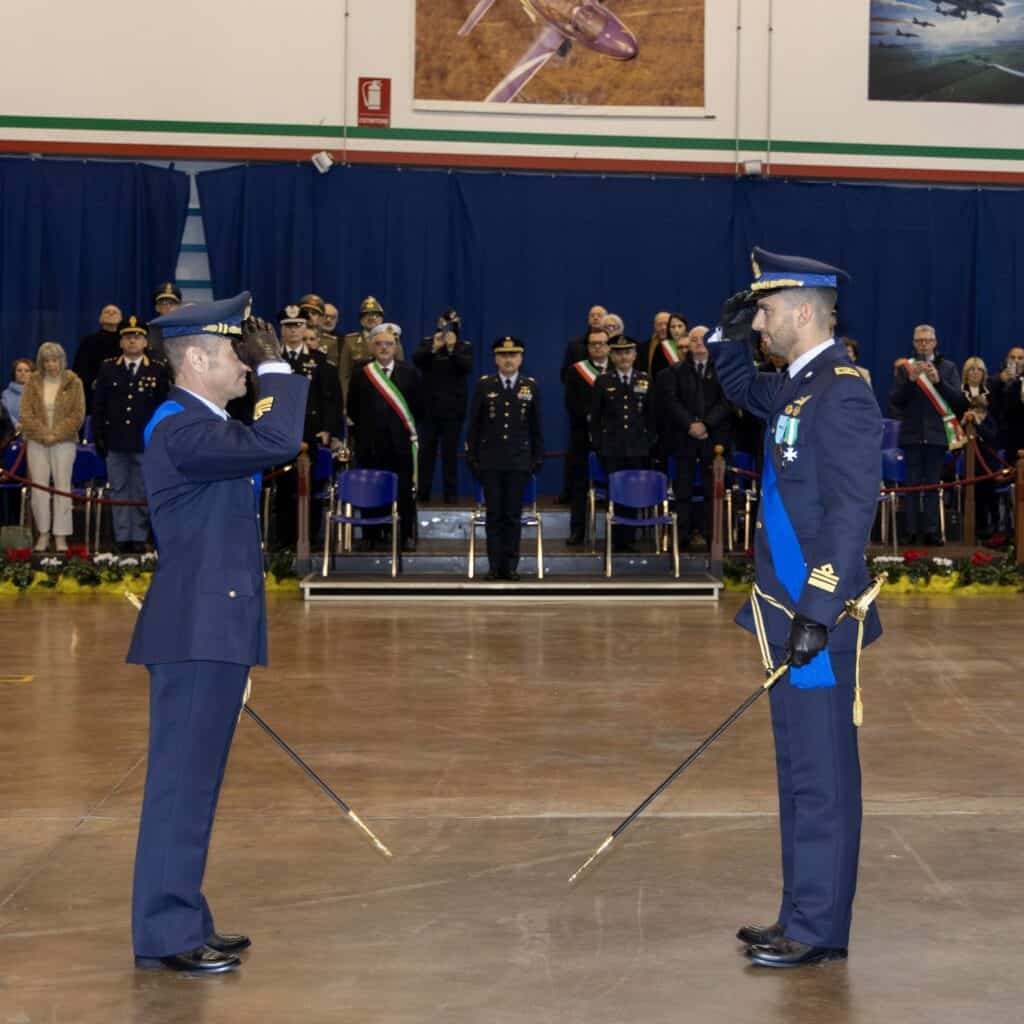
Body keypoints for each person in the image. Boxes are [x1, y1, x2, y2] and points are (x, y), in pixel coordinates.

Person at [711, 246, 882, 969]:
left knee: (822, 774)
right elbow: (746, 393)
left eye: (766, 310)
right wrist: (722, 341)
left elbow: (851, 510)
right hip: (786, 614)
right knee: (800, 768)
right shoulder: (799, 385)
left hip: (817, 617)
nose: (759, 321)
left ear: (805, 312)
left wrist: (817, 606)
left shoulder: (840, 389)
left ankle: (816, 929)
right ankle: (801, 912)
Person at [127, 294, 308, 974]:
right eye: (236, 354)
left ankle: (182, 916)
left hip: (211, 628)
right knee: (180, 785)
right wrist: (282, 371)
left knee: (194, 783)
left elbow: (262, 446)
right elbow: (277, 442)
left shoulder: (201, 423)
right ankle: (167, 933)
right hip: (197, 631)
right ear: (197, 359)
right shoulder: (180, 426)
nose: (246, 365)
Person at [466, 337, 544, 580]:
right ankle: (493, 566)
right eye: (503, 355)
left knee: (512, 515)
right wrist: (473, 458)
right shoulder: (484, 386)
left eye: (513, 355)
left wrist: (536, 458)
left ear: (521, 358)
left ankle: (510, 566)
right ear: (495, 359)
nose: (508, 360)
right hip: (490, 461)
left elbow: (536, 427)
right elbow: (474, 426)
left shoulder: (529, 387)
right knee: (494, 515)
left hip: (519, 462)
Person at [91, 317, 171, 552]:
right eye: (128, 336)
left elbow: (163, 408)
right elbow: (98, 406)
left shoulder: (157, 370)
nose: (133, 340)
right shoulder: (108, 368)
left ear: (146, 341)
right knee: (118, 489)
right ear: (121, 342)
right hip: (115, 440)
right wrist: (99, 436)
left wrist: (159, 440)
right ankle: (122, 537)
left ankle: (138, 537)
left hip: (144, 443)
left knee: (141, 489)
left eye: (137, 336)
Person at [888, 324, 965, 546]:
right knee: (911, 485)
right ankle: (911, 531)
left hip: (937, 435)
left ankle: (932, 531)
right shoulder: (905, 369)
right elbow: (895, 400)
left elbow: (959, 401)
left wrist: (939, 381)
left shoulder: (948, 367)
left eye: (927, 340)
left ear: (935, 342)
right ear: (913, 343)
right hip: (912, 434)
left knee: (933, 484)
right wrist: (911, 382)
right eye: (919, 341)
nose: (923, 344)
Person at [347, 323, 421, 551]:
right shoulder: (361, 373)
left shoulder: (409, 372)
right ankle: (372, 535)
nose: (384, 348)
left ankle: (404, 535)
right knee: (372, 489)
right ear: (371, 347)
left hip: (400, 445)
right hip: (370, 444)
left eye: (389, 344)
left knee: (404, 492)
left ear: (396, 346)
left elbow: (418, 408)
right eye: (379, 344)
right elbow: (353, 408)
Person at [274, 305, 343, 548]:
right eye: (288, 326)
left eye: (298, 325)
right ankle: (283, 544)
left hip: (310, 436)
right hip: (278, 435)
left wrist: (329, 429)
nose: (293, 330)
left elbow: (332, 399)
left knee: (310, 490)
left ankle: (309, 542)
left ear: (305, 328)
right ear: (281, 330)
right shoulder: (273, 360)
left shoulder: (319, 361)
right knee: (283, 491)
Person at [662, 326, 732, 550]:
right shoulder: (675, 371)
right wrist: (690, 424)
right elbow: (671, 402)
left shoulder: (724, 369)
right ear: (687, 344)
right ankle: (682, 538)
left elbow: (728, 401)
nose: (699, 343)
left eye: (704, 339)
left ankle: (713, 538)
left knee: (714, 493)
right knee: (683, 491)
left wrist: (706, 424)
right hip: (685, 438)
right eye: (694, 340)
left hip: (715, 440)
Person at [590, 335, 657, 550]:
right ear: (612, 355)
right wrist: (599, 446)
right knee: (616, 495)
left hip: (638, 448)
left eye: (628, 352)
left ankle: (630, 539)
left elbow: (653, 415)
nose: (623, 356)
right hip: (612, 448)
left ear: (635, 355)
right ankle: (617, 540)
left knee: (634, 493)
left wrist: (649, 441)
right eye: (618, 352)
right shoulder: (603, 381)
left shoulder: (645, 380)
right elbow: (595, 417)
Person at [18, 342, 86, 553]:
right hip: (37, 442)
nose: (51, 364)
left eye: (55, 360)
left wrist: (56, 434)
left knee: (62, 488)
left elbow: (77, 415)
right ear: (41, 362)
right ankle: (43, 534)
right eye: (47, 360)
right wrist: (43, 434)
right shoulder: (32, 382)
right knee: (39, 489)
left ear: (62, 360)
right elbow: (25, 413)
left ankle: (61, 536)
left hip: (64, 442)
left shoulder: (74, 382)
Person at [413, 308, 473, 503]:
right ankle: (423, 493)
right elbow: (418, 360)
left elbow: (465, 367)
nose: (447, 326)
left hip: (453, 411)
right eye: (444, 322)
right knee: (426, 455)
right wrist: (435, 348)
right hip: (429, 410)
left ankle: (451, 495)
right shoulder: (428, 343)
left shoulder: (464, 347)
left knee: (450, 455)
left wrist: (451, 349)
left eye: (452, 323)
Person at [564, 328, 611, 545]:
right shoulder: (576, 371)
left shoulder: (617, 369)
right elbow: (572, 404)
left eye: (602, 343)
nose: (598, 347)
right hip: (583, 435)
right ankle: (578, 531)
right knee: (580, 485)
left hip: (613, 438)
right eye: (593, 344)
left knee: (615, 483)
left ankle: (619, 536)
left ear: (609, 346)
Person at [340, 296, 405, 404]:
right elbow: (344, 375)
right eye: (366, 315)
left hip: (388, 395)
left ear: (381, 319)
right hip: (360, 396)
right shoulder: (349, 341)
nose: (371, 318)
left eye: (376, 315)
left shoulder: (392, 339)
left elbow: (400, 363)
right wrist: (346, 401)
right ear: (361, 320)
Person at [961, 356, 999, 538]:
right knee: (970, 489)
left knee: (988, 489)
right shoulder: (959, 394)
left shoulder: (991, 394)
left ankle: (992, 527)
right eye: (971, 369)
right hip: (966, 456)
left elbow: (993, 435)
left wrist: (979, 423)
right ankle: (972, 528)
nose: (975, 372)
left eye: (978, 369)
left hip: (988, 459)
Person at [71, 304, 123, 399]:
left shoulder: (125, 342)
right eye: (107, 312)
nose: (111, 314)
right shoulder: (88, 341)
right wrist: (92, 383)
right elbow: (80, 368)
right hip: (93, 394)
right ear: (100, 318)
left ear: (121, 319)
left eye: (114, 312)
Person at [990, 345, 1024, 460]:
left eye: (1020, 358)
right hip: (1002, 438)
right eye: (1013, 357)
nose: (1016, 361)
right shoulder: (996, 380)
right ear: (1006, 360)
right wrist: (1000, 381)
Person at [145, 282, 182, 358]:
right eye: (164, 303)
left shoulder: (186, 330)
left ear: (179, 307)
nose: (168, 306)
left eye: (172, 303)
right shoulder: (147, 331)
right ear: (157, 308)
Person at [2, 358, 34, 428]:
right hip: (12, 435)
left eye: (27, 371)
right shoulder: (5, 395)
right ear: (14, 373)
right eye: (19, 370)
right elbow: (5, 416)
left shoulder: (40, 393)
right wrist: (16, 425)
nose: (23, 373)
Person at [644, 310, 672, 376]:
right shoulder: (644, 348)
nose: (663, 327)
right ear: (654, 327)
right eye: (659, 324)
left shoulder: (680, 346)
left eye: (666, 324)